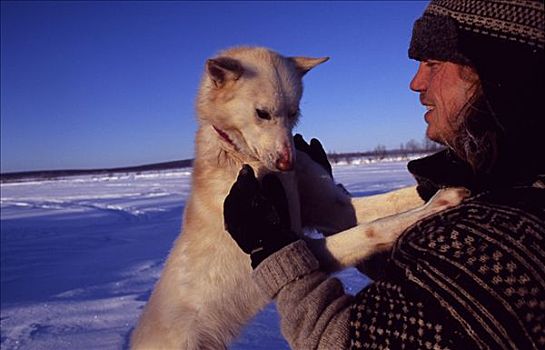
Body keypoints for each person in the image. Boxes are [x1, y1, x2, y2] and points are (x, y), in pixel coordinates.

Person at [223, 0, 545, 349]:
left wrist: (273, 251)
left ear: (503, 75)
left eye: (433, 64)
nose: (416, 82)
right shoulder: (504, 190)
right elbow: (424, 282)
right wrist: (334, 207)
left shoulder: (505, 237)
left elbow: (346, 341)